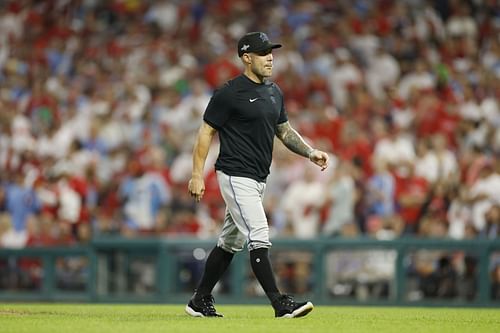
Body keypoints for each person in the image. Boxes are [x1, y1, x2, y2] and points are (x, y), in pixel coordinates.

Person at [185, 32, 329, 318]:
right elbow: (206, 131)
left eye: (271, 52)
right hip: (235, 174)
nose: (270, 57)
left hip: (258, 177)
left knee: (230, 242)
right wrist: (196, 175)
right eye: (263, 53)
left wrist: (309, 152)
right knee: (259, 234)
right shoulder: (229, 92)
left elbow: (284, 130)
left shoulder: (274, 91)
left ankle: (199, 300)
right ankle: (279, 303)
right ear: (246, 57)